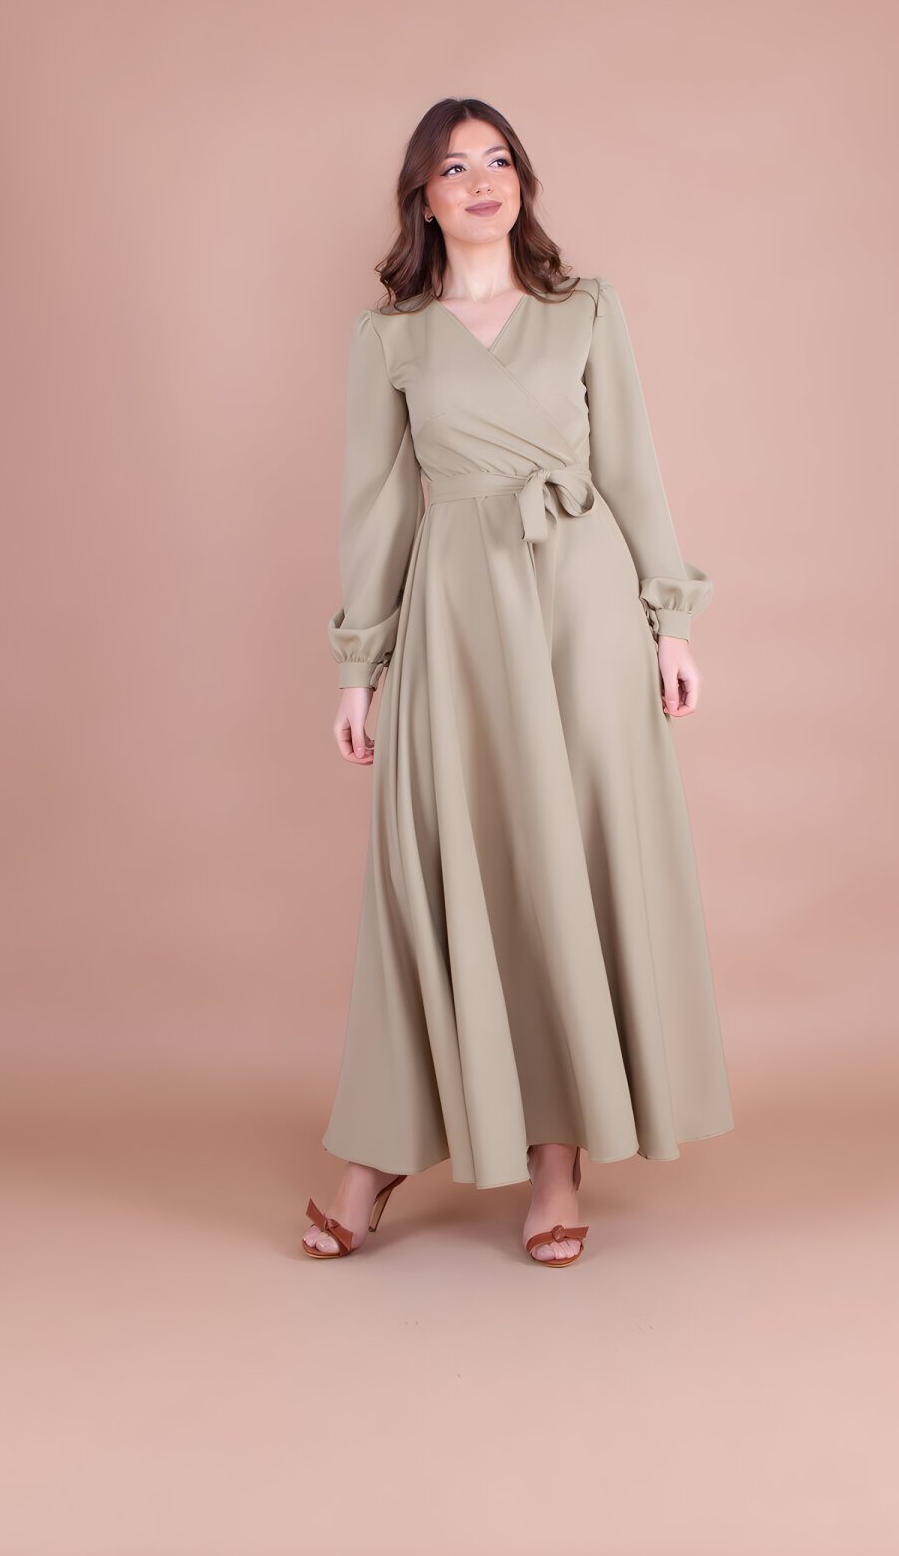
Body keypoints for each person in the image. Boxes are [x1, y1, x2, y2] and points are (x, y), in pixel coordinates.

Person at [303, 98, 734, 1267]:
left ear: (523, 184)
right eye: (455, 167)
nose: (482, 180)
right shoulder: (391, 339)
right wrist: (358, 669)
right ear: (423, 197)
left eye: (499, 160)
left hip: (580, 611)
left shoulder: (584, 310)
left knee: (566, 865)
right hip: (456, 617)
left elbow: (632, 467)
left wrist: (669, 623)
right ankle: (380, 1149)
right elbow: (377, 511)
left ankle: (556, 1162)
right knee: (443, 869)